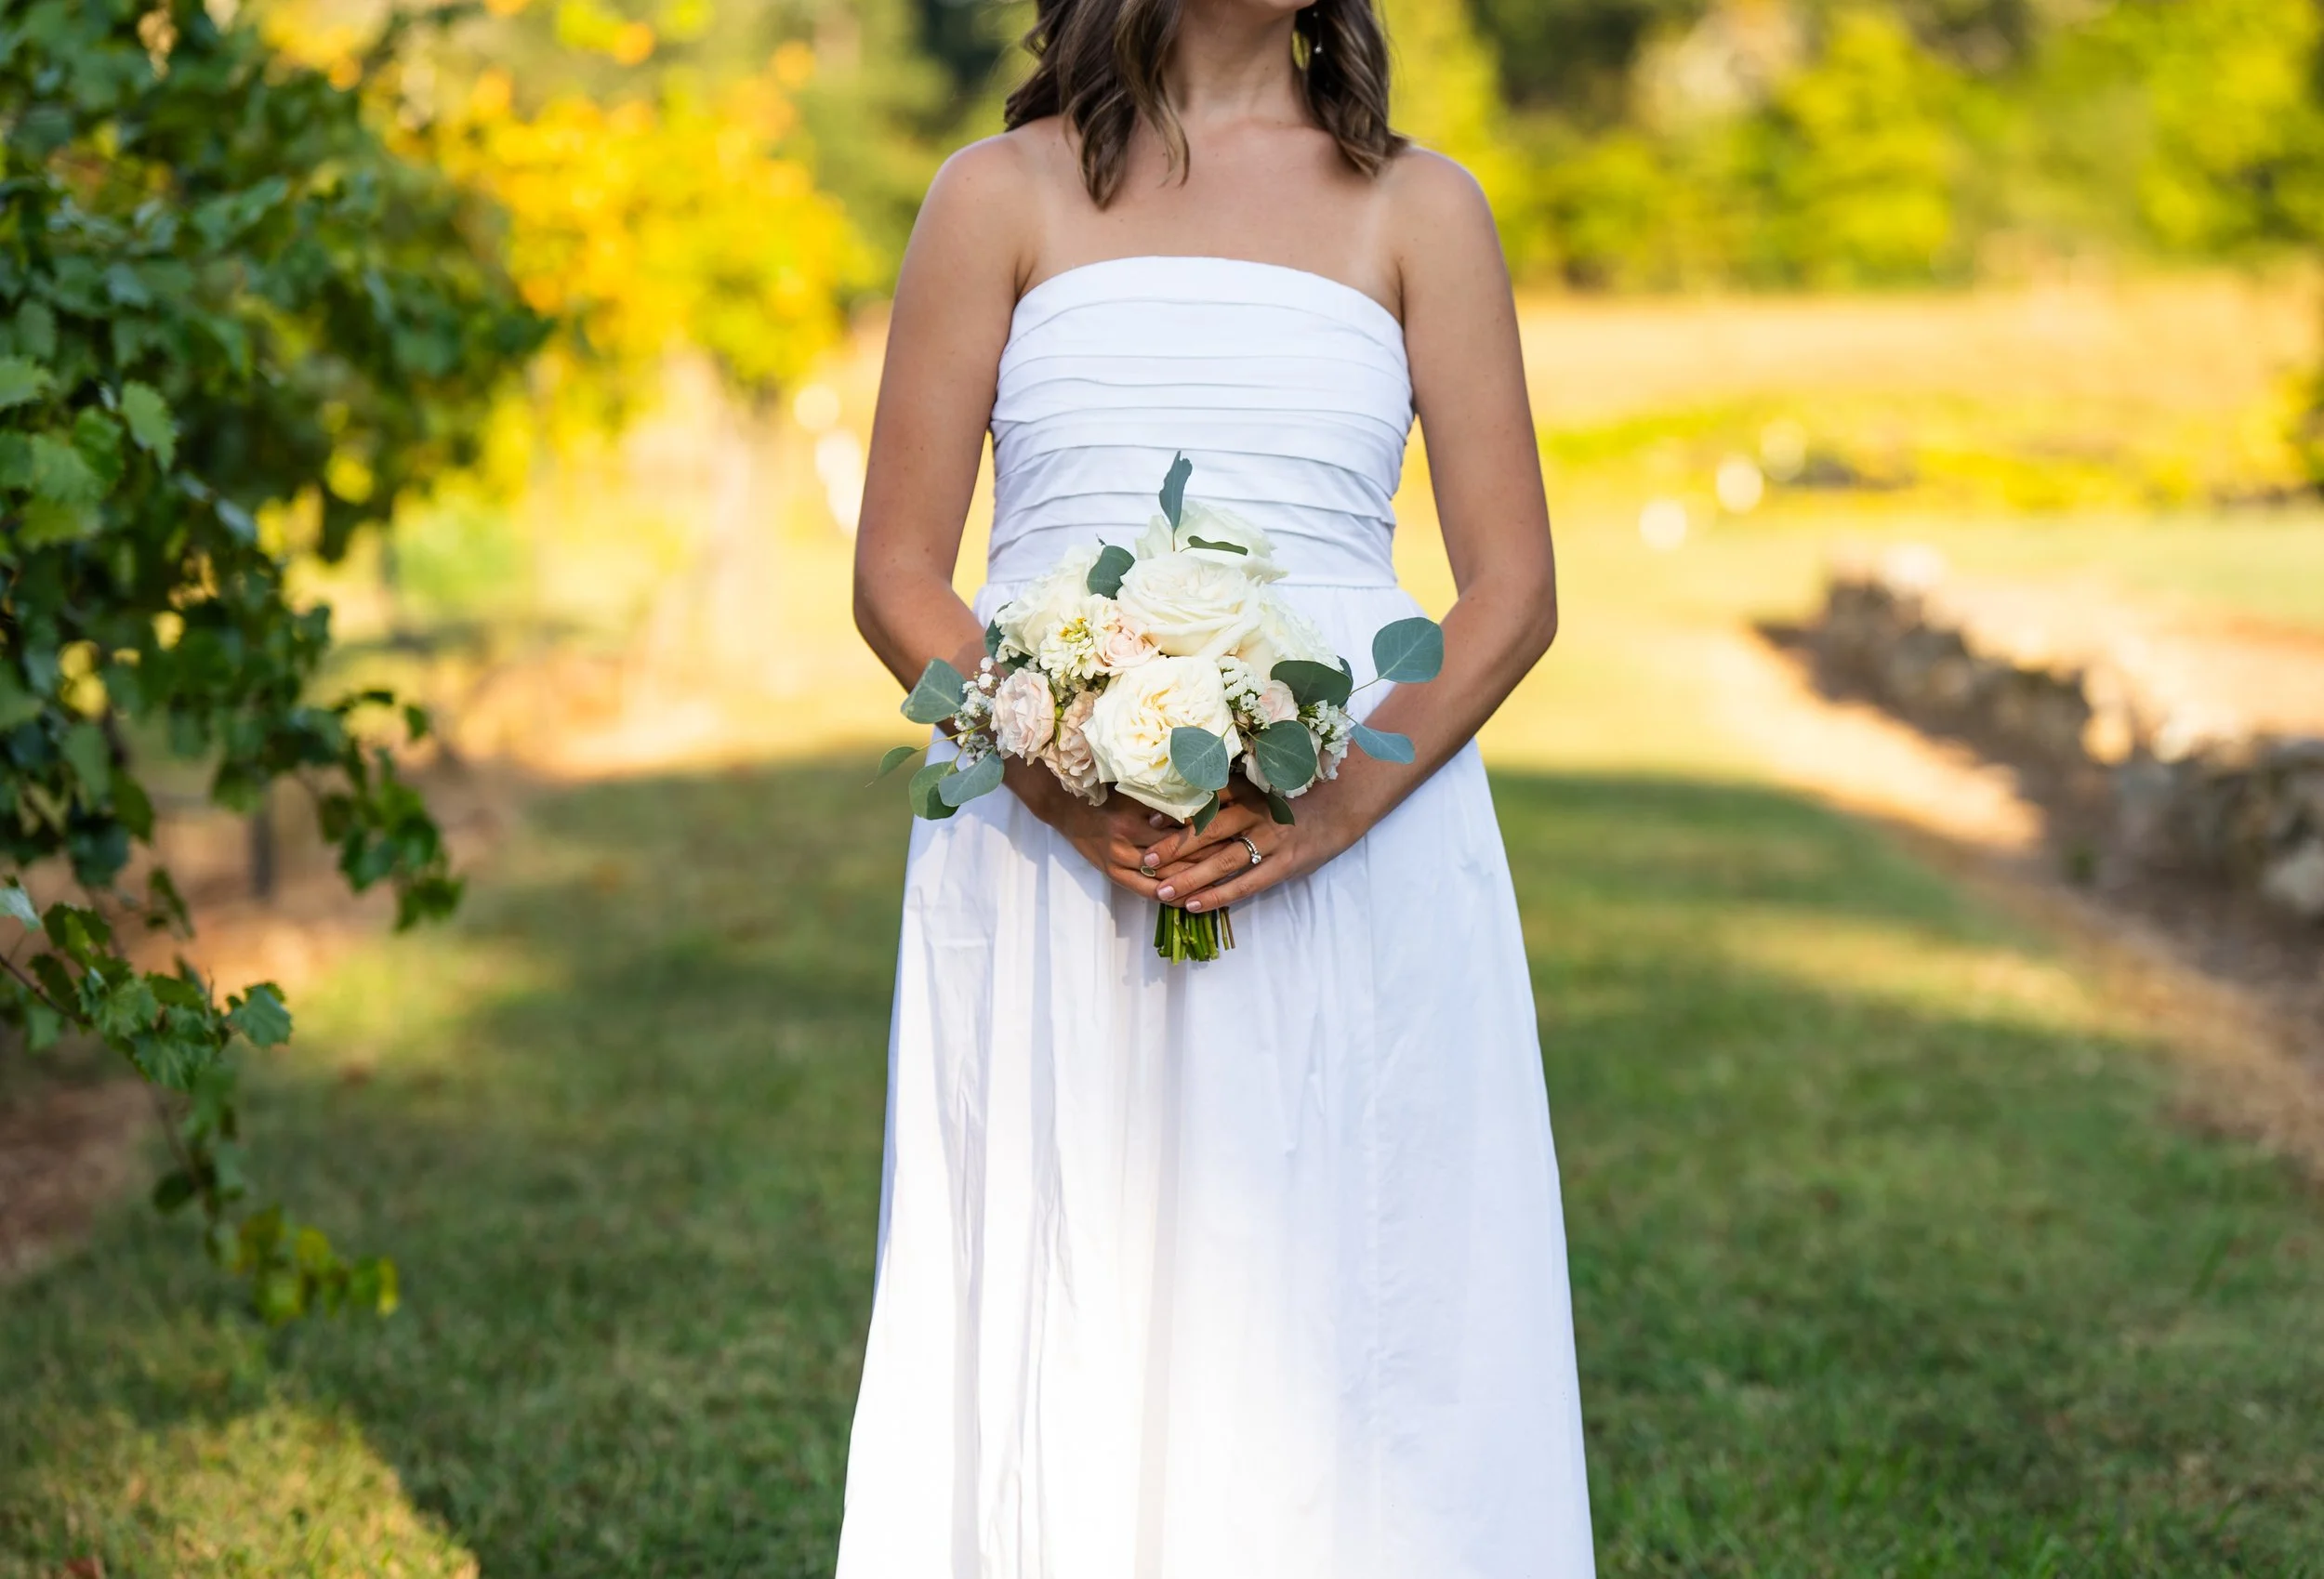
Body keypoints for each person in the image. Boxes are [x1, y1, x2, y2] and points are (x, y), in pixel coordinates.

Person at [841, 0, 1593, 1567]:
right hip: (1048, 851)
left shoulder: (1418, 206)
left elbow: (1510, 592)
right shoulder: (997, 195)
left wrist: (1335, 801)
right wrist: (1054, 774)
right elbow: (895, 578)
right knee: (1079, 1272)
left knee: (1360, 1288)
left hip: (1360, 832)